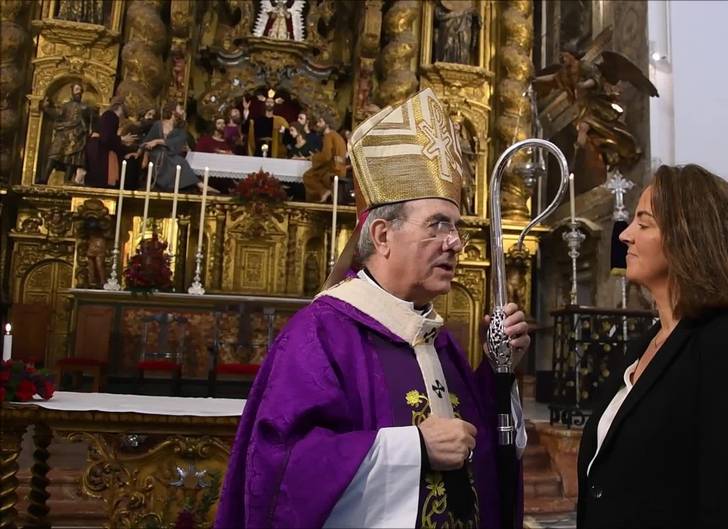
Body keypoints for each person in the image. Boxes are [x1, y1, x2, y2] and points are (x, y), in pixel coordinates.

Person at [216, 88, 529, 528]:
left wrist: (499, 372)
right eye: (438, 225)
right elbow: (281, 468)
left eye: (456, 227)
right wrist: (414, 448)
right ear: (382, 236)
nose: (456, 243)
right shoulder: (321, 335)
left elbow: (480, 451)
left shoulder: (435, 338)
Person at [577, 164, 728, 529]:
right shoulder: (646, 344)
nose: (625, 236)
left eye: (643, 223)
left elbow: (726, 504)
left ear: (689, 237)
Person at [141, 101, 212, 192]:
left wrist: (158, 141)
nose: (183, 112)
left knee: (180, 161)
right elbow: (147, 141)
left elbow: (178, 141)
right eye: (180, 109)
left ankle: (198, 184)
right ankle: (199, 184)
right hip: (156, 153)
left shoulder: (181, 127)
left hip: (170, 153)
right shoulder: (158, 124)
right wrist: (144, 155)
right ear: (173, 111)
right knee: (178, 161)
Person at [39, 83, 95, 184]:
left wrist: (90, 132)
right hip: (63, 134)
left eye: (80, 90)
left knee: (72, 159)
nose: (79, 92)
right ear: (72, 91)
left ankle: (67, 180)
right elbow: (57, 113)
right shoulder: (66, 106)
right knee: (54, 154)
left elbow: (91, 122)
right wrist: (47, 108)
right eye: (76, 89)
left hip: (76, 136)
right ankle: (44, 178)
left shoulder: (85, 107)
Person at [84, 95, 137, 187]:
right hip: (99, 154)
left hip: (98, 151)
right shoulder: (110, 115)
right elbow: (106, 138)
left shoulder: (109, 116)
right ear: (121, 105)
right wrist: (121, 139)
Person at [303, 114, 346, 202]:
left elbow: (326, 156)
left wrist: (314, 157)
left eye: (320, 122)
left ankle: (324, 192)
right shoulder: (337, 136)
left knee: (308, 176)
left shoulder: (328, 136)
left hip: (333, 169)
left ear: (327, 123)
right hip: (339, 168)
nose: (318, 124)